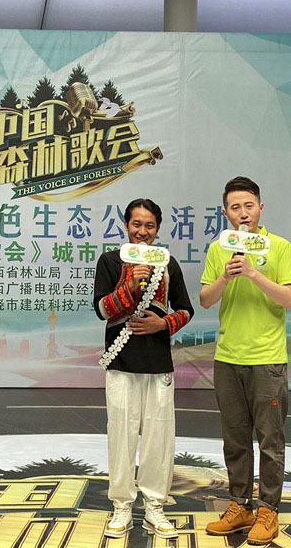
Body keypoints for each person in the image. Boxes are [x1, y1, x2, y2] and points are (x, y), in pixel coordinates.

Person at [199, 177, 291, 546]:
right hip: (228, 357)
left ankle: (268, 510)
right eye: (235, 207)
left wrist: (254, 273)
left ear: (261, 208)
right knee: (235, 439)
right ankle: (239, 505)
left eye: (249, 205)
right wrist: (226, 276)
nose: (243, 213)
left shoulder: (280, 247)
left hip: (267, 359)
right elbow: (206, 300)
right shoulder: (218, 249)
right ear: (226, 213)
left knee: (270, 440)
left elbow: (289, 299)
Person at [94, 198, 194, 540]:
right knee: (120, 434)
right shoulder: (110, 261)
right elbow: (102, 309)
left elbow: (186, 310)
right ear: (126, 225)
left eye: (149, 225)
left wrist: (162, 324)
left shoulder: (168, 263)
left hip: (158, 362)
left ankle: (154, 507)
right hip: (121, 362)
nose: (142, 231)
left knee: (158, 436)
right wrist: (130, 284)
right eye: (136, 224)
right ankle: (122, 506)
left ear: (157, 229)